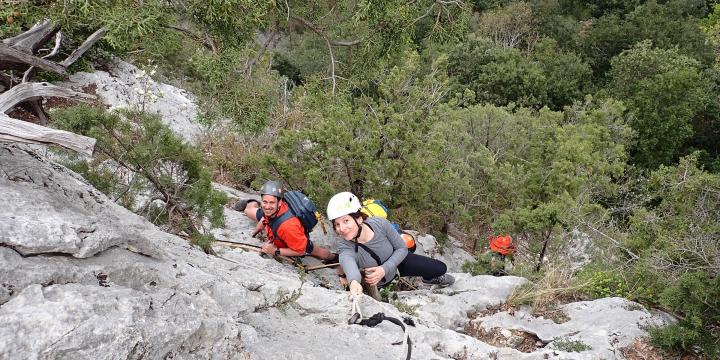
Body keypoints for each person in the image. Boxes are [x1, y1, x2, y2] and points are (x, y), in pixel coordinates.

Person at [327, 191, 454, 295]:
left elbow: (402, 248)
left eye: (346, 221)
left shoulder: (379, 224)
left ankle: (429, 278)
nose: (341, 229)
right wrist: (354, 282)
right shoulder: (344, 245)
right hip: (376, 282)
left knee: (440, 268)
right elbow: (348, 263)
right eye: (337, 224)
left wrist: (384, 269)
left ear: (359, 219)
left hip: (396, 264)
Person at [235, 180, 337, 261]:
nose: (267, 206)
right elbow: (266, 217)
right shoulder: (270, 210)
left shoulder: (288, 227)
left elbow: (300, 251)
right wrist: (256, 230)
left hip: (292, 235)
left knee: (320, 253)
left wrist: (276, 251)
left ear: (280, 203)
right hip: (275, 219)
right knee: (248, 211)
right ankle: (253, 202)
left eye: (271, 202)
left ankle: (336, 258)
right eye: (264, 202)